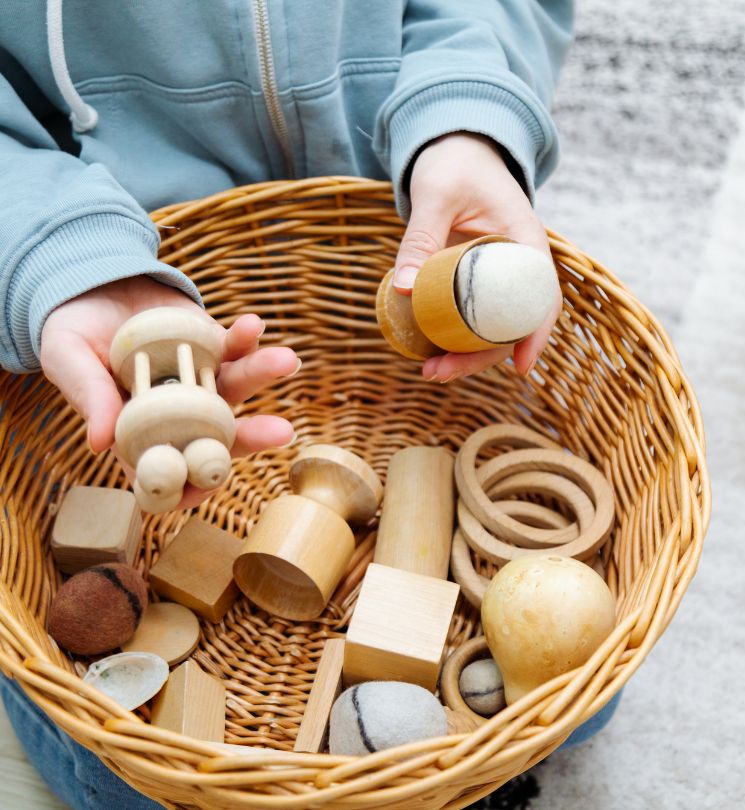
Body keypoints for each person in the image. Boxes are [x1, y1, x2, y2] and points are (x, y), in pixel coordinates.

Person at [0, 3, 621, 808]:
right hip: (106, 246)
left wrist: (465, 116)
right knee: (123, 779)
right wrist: (58, 253)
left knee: (583, 695)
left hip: (396, 207)